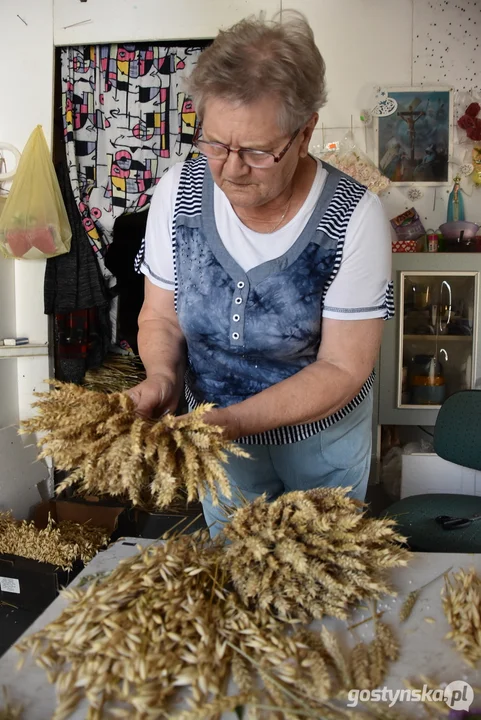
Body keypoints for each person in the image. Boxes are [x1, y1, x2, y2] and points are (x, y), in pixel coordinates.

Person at [128, 12, 393, 536]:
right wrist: (162, 376)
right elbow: (160, 317)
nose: (229, 168)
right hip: (220, 441)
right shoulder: (176, 195)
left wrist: (232, 421)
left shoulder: (353, 218)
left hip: (319, 444)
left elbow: (343, 367)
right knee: (240, 576)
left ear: (304, 132)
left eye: (256, 151)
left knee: (317, 574)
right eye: (216, 144)